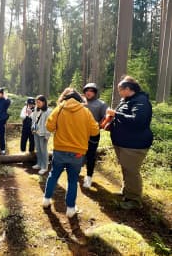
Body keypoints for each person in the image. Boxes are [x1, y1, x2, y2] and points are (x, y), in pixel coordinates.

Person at [43, 88, 99, 218]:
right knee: (73, 180)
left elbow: (49, 127)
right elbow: (95, 131)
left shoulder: (59, 109)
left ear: (65, 98)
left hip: (60, 150)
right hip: (78, 153)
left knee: (53, 175)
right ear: (80, 99)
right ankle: (70, 209)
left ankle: (46, 201)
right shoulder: (86, 112)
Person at [106, 75, 153, 210]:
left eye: (120, 89)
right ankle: (127, 192)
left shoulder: (141, 101)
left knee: (132, 171)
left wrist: (116, 114)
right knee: (126, 168)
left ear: (128, 89)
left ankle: (134, 200)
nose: (119, 92)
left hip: (134, 145)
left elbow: (137, 121)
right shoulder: (127, 100)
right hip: (123, 143)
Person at [82, 83, 108, 188]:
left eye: (91, 90)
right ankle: (77, 170)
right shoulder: (80, 102)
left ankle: (89, 177)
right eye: (87, 90)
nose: (88, 92)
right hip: (79, 133)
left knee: (91, 156)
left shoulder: (101, 104)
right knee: (78, 152)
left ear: (95, 92)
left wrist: (99, 125)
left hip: (93, 134)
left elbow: (107, 117)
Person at [31, 95, 51, 175]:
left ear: (44, 102)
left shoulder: (48, 111)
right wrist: (32, 129)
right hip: (36, 132)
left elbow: (49, 124)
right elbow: (34, 120)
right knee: (38, 149)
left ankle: (44, 167)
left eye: (39, 102)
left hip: (43, 133)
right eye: (36, 102)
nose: (37, 104)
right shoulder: (36, 109)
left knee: (43, 150)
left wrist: (47, 135)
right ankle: (39, 164)